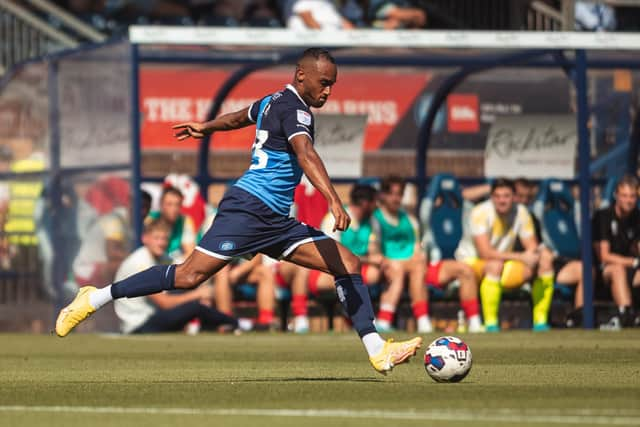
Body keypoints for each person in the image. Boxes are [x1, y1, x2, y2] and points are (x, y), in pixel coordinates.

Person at [55, 48, 421, 375]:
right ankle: (96, 297)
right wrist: (333, 199)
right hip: (249, 209)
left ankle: (377, 350)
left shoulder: (272, 101)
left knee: (348, 263)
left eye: (332, 85)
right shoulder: (296, 110)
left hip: (275, 220)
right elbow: (306, 153)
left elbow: (237, 118)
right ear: (301, 75)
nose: (327, 91)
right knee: (188, 277)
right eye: (323, 83)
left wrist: (205, 126)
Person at [455, 178, 554, 332]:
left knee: (545, 261)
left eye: (506, 196)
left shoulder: (521, 212)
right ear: (492, 197)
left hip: (503, 264)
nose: (502, 200)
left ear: (514, 197)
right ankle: (490, 324)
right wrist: (522, 257)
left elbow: (532, 246)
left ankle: (540, 322)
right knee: (494, 265)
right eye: (497, 196)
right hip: (471, 262)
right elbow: (485, 253)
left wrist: (539, 253)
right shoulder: (480, 212)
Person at [114, 219, 238, 334]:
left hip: (151, 317)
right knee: (194, 307)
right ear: (145, 238)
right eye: (156, 238)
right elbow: (164, 303)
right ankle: (234, 323)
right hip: (137, 325)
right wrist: (199, 294)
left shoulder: (163, 258)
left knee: (188, 287)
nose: (161, 243)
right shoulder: (140, 261)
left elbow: (185, 274)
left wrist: (202, 287)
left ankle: (216, 325)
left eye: (164, 239)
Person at [314, 184, 393, 331]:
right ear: (364, 203)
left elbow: (374, 251)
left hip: (358, 269)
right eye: (374, 202)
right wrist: (369, 259)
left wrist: (380, 260)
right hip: (333, 269)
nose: (377, 207)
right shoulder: (334, 218)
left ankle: (379, 320)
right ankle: (351, 310)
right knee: (323, 281)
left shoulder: (373, 222)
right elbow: (331, 255)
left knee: (377, 273)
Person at [514, 178, 584, 328]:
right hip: (517, 265)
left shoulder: (532, 218)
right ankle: (540, 319)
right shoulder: (500, 214)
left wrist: (544, 252)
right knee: (542, 262)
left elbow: (535, 245)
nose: (523, 201)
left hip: (540, 262)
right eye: (520, 196)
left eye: (527, 197)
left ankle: (579, 319)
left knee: (583, 270)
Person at [370, 176, 431, 333]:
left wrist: (418, 255)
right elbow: (373, 249)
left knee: (419, 264)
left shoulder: (410, 219)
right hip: (384, 263)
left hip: (408, 261)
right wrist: (385, 260)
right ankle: (384, 319)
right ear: (382, 195)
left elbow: (417, 245)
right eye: (392, 193)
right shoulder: (375, 218)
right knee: (396, 267)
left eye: (399, 194)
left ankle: (423, 319)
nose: (396, 198)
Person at [592, 174, 640, 328]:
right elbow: (604, 256)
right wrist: (633, 262)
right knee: (617, 269)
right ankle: (626, 314)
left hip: (630, 268)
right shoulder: (603, 216)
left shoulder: (637, 217)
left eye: (633, 196)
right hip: (603, 272)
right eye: (625, 196)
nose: (629, 200)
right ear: (616, 196)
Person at [214, 254, 277, 330]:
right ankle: (226, 321)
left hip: (243, 275)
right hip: (219, 277)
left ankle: (266, 322)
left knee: (265, 271)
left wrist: (239, 272)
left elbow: (258, 258)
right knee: (222, 271)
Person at [148, 186, 197, 261]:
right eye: (169, 204)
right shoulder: (150, 220)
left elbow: (190, 252)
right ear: (161, 205)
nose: (174, 209)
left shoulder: (185, 221)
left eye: (177, 204)